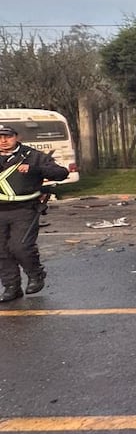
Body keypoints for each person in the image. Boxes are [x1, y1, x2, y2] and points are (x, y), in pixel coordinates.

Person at [0, 124, 69, 303]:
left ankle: (36, 275)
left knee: (20, 247)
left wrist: (35, 169)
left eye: (8, 136)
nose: (3, 141)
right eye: (0, 137)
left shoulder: (32, 156)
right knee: (2, 251)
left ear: (17, 137)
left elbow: (61, 173)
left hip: (24, 209)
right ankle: (11, 287)